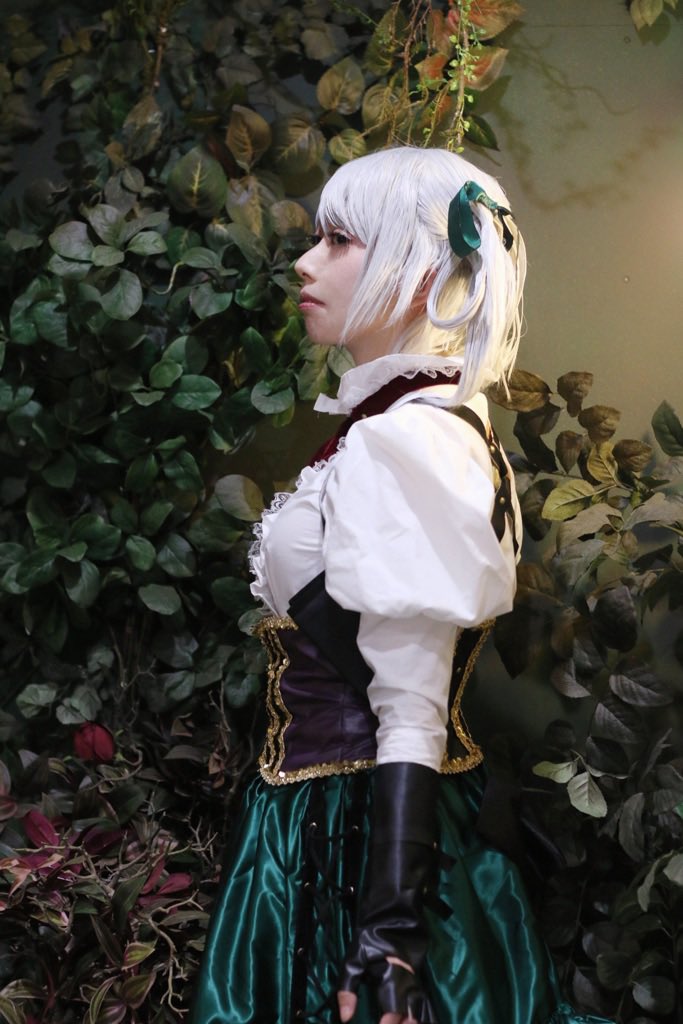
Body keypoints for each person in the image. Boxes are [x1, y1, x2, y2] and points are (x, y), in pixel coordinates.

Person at [191, 147, 612, 1024]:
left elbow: (408, 706)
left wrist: (387, 937)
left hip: (356, 839)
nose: (304, 263)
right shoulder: (408, 428)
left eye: (338, 241)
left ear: (421, 274)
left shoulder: (410, 440)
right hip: (334, 821)